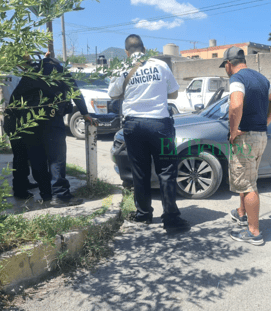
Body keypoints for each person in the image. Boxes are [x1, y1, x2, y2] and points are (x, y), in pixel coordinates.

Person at [108, 34, 190, 231]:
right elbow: (174, 93)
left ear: (127, 52)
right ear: (144, 49)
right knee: (166, 171)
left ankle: (143, 215)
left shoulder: (122, 68)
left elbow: (112, 93)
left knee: (140, 172)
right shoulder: (160, 65)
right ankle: (171, 217)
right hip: (159, 126)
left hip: (133, 126)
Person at [10, 53, 96, 205]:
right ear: (56, 62)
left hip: (28, 120)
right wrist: (85, 113)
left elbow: (15, 97)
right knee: (56, 157)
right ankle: (60, 195)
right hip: (51, 118)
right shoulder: (59, 70)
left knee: (37, 157)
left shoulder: (32, 72)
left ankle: (46, 194)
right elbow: (75, 93)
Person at [219, 46, 271, 245]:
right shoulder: (261, 78)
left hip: (245, 138)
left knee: (248, 185)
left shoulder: (237, 78)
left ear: (229, 64)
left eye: (225, 66)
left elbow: (236, 105)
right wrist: (265, 123)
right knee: (247, 177)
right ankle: (241, 213)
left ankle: (254, 233)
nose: (226, 70)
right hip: (260, 136)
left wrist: (233, 130)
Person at [2, 70, 38, 199]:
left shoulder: (11, 73)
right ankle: (19, 189)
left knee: (21, 155)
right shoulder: (14, 74)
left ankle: (23, 183)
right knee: (21, 156)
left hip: (13, 115)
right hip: (17, 117)